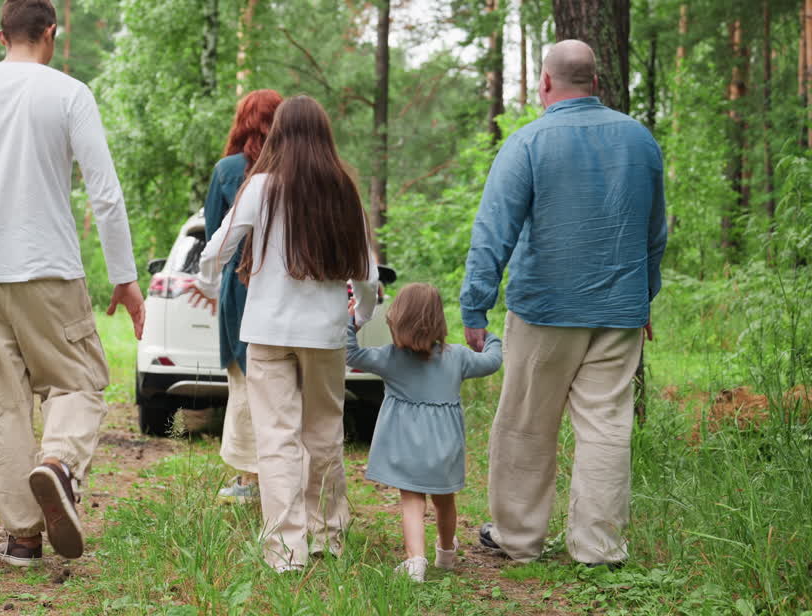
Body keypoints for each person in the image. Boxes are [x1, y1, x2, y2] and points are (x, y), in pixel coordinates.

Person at [0, 0, 145, 568]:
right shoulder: (68, 92)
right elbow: (106, 195)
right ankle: (61, 465)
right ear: (52, 34)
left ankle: (22, 539)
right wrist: (124, 278)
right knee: (78, 381)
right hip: (50, 270)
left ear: (2, 37)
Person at [460, 39, 667, 567]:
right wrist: (643, 298)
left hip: (544, 311)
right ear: (595, 82)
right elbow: (654, 232)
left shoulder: (528, 142)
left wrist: (475, 308)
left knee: (526, 423)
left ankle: (517, 538)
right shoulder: (640, 141)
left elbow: (493, 232)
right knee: (607, 426)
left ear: (545, 83)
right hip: (619, 311)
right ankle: (599, 548)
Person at [189, 95, 378, 573]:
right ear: (324, 135)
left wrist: (209, 286)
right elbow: (367, 270)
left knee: (275, 438)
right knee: (324, 433)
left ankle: (285, 549)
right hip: (326, 333)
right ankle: (328, 538)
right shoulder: (342, 189)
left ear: (280, 136)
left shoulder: (260, 187)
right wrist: (362, 314)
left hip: (268, 330)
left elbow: (217, 248)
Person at [346, 283, 502, 582]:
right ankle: (445, 554)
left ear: (396, 322)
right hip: (445, 447)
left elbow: (351, 355)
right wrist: (489, 339)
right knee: (445, 500)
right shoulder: (457, 357)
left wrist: (350, 324)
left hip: (405, 447)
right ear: (439, 322)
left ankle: (415, 560)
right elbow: (493, 362)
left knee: (412, 501)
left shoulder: (389, 358)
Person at [203, 88, 283, 505]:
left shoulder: (228, 170)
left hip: (242, 285)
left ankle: (250, 481)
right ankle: (286, 479)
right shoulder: (299, 167)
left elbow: (217, 235)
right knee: (288, 386)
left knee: (245, 380)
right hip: (293, 286)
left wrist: (207, 283)